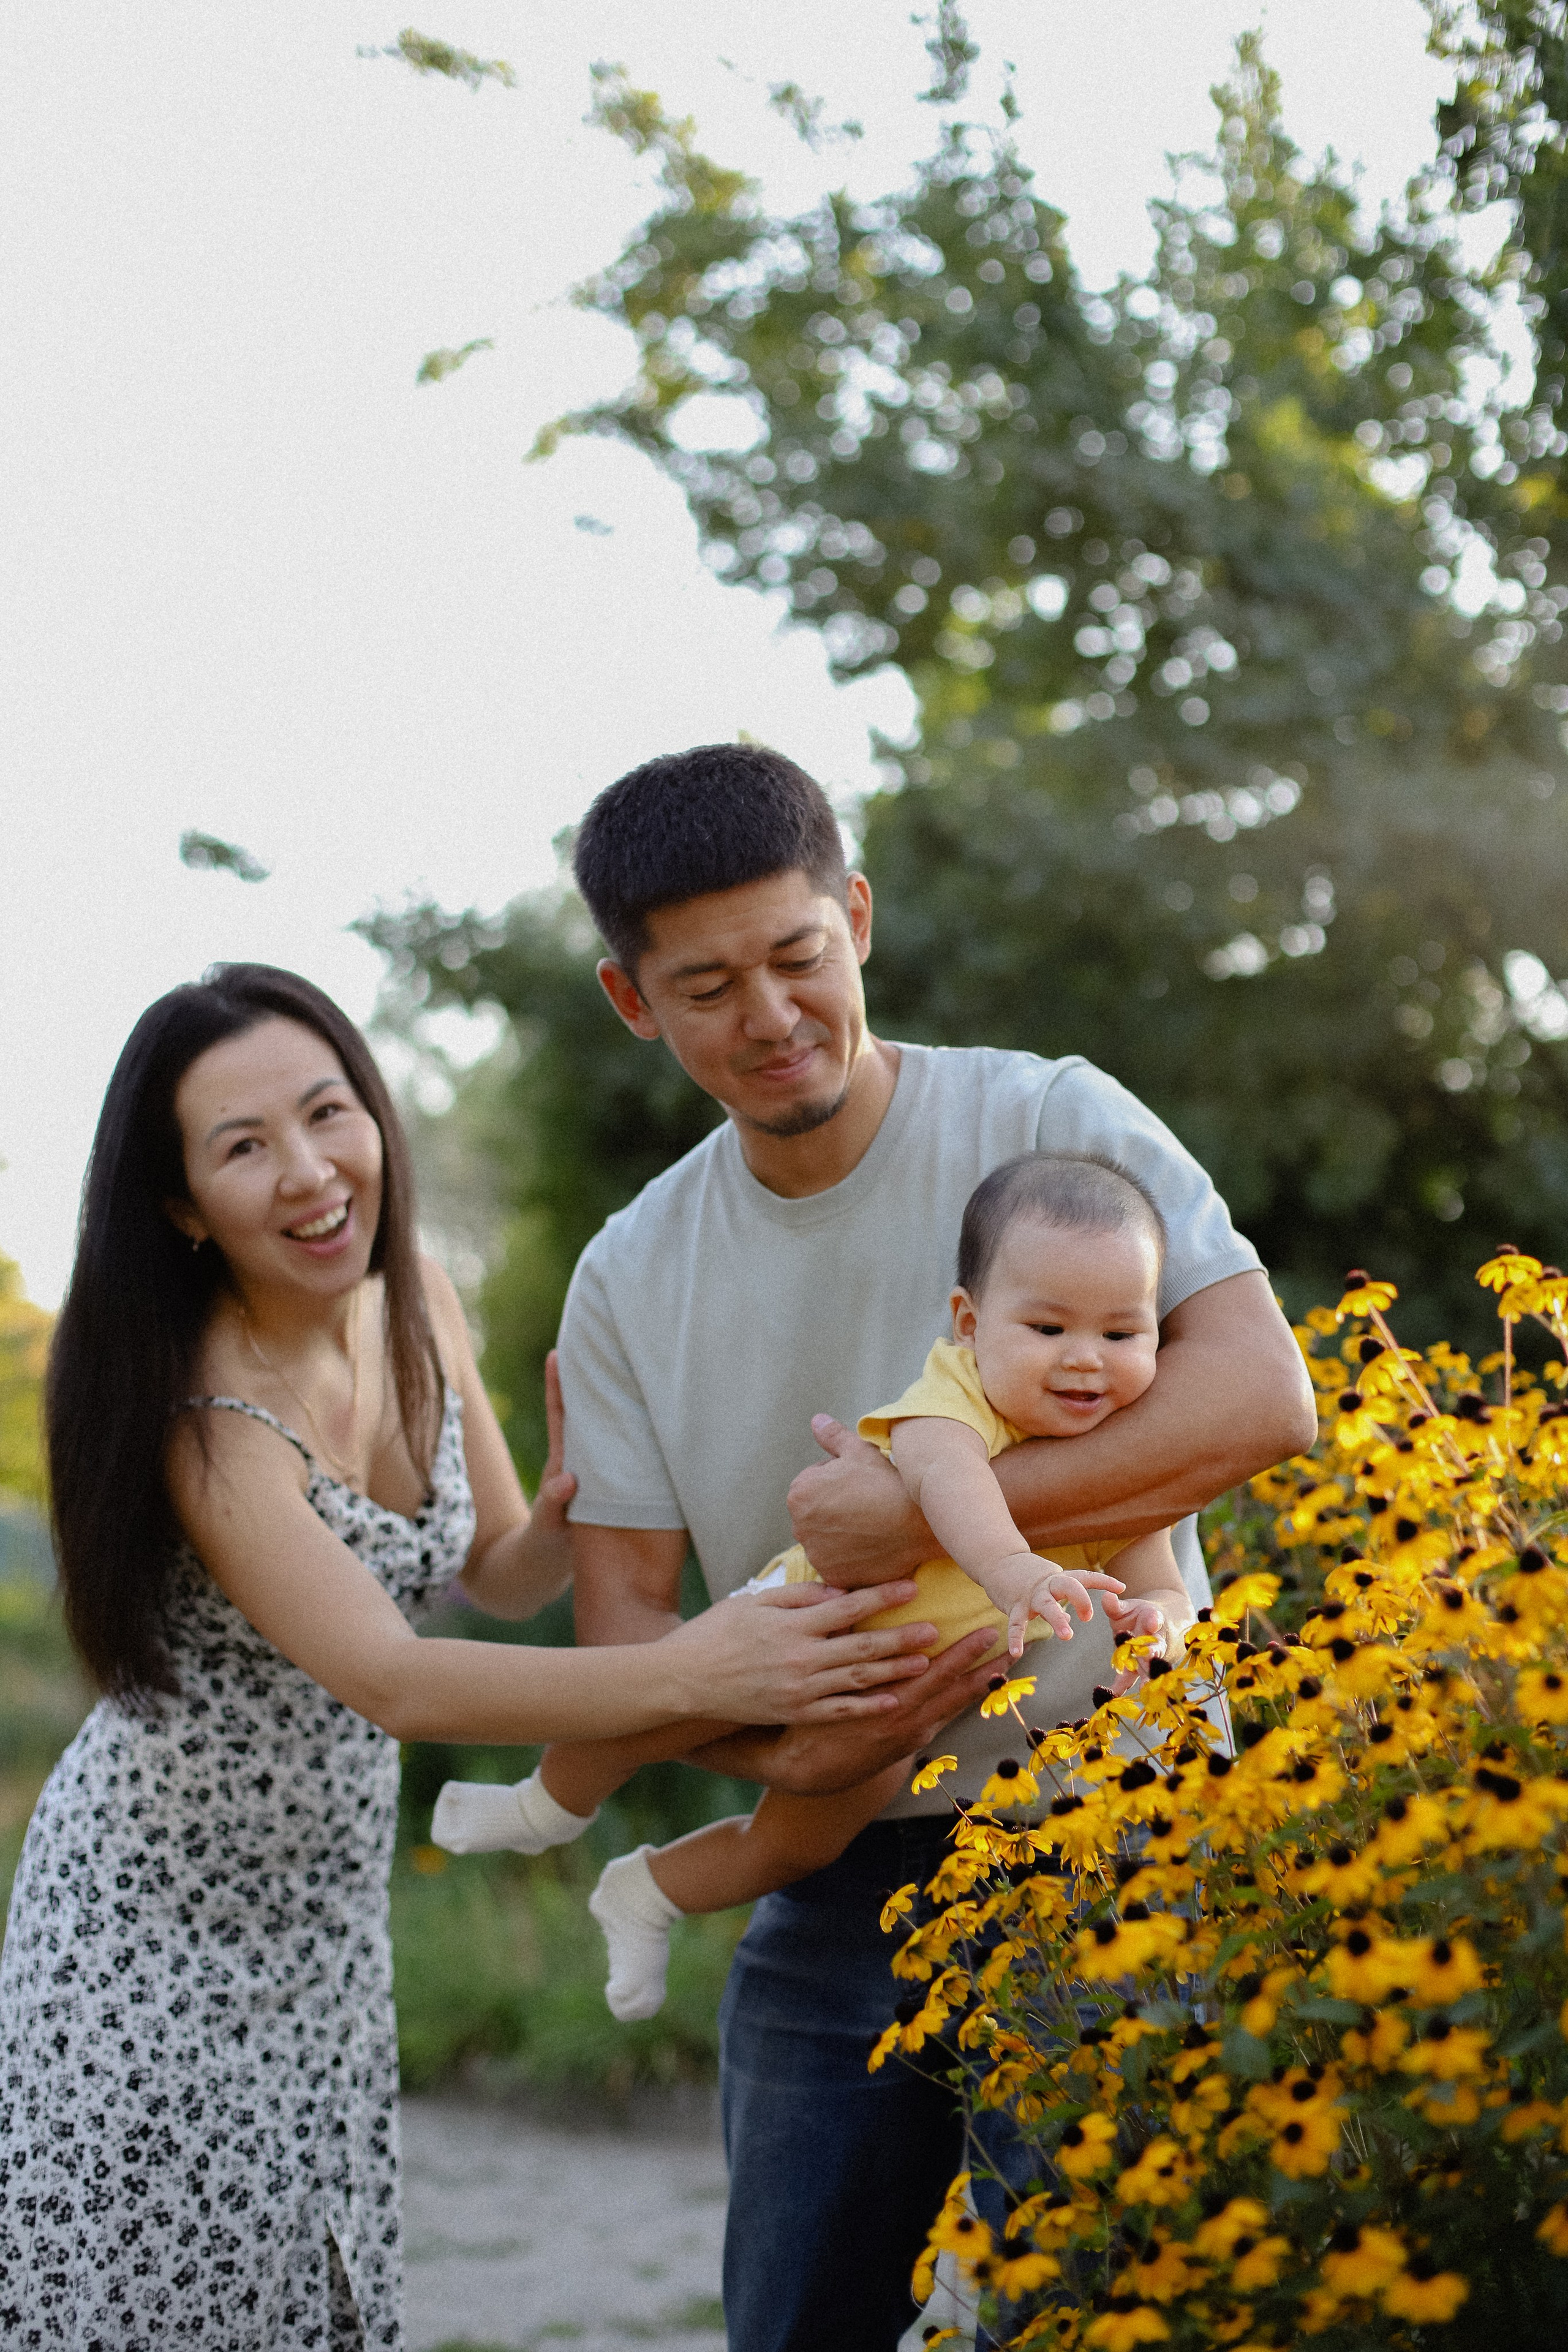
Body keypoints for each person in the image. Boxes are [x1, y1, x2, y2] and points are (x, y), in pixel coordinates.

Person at [0, 964, 942, 2352]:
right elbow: (396, 1677)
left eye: (328, 1114)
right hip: (145, 1930)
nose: (311, 1172)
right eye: (244, 1147)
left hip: (320, 1926)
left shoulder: (419, 1296)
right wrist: (707, 1670)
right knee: (163, 2300)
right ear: (182, 1205)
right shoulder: (204, 1418)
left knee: (308, 2295)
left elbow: (491, 1569)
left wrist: (570, 1501)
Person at [524, 744, 1317, 2352]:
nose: (768, 1014)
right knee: (796, 2319)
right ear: (632, 1002)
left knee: (1108, 2320)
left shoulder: (1048, 1116)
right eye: (706, 986)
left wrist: (924, 1509)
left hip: (1120, 1838)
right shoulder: (628, 1275)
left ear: (859, 917)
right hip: (834, 1863)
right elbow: (625, 1654)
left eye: (798, 956)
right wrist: (804, 1727)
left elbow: (1263, 1400)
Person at [433, 1152, 1196, 2027]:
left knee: (796, 1843)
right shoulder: (959, 1395)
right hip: (796, 1626)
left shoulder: (1127, 1458)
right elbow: (950, 1480)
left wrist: (1161, 1630)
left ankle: (645, 1891)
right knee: (654, 1707)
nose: (1086, 1362)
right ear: (971, 1323)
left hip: (887, 1710)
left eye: (1121, 1334)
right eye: (1050, 1329)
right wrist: (1015, 1569)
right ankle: (544, 1805)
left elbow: (1161, 1580)